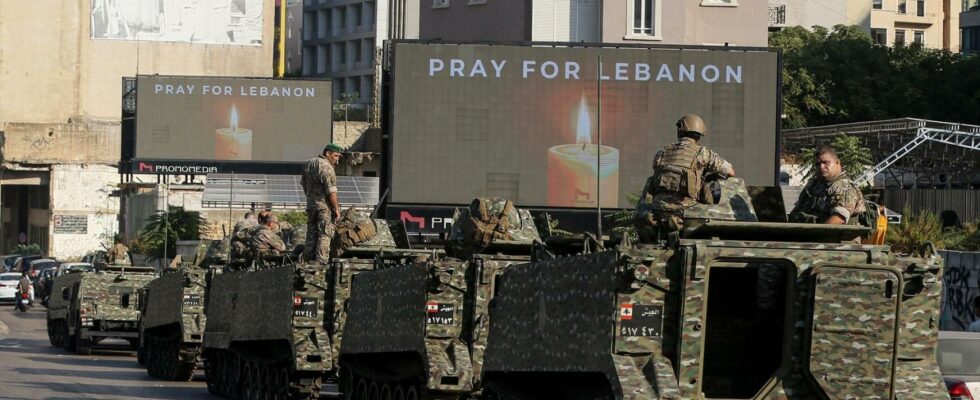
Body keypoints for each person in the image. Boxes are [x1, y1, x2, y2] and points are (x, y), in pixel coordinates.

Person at [645, 114, 736, 232]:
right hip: (685, 211)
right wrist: (708, 175)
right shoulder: (703, 153)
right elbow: (731, 172)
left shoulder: (661, 153)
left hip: (658, 210)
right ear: (699, 135)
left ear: (680, 131)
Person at [790, 146, 866, 225]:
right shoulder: (814, 184)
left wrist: (815, 235)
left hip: (833, 236)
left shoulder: (844, 186)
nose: (821, 166)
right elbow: (798, 209)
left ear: (837, 163)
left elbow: (839, 219)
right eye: (818, 164)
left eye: (826, 162)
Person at [301, 143, 342, 264]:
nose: (337, 159)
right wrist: (336, 209)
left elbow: (304, 184)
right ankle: (321, 261)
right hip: (324, 207)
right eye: (336, 156)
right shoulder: (327, 167)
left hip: (311, 205)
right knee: (325, 233)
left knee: (311, 232)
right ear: (328, 153)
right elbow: (331, 191)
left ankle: (307, 259)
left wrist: (311, 199)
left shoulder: (309, 163)